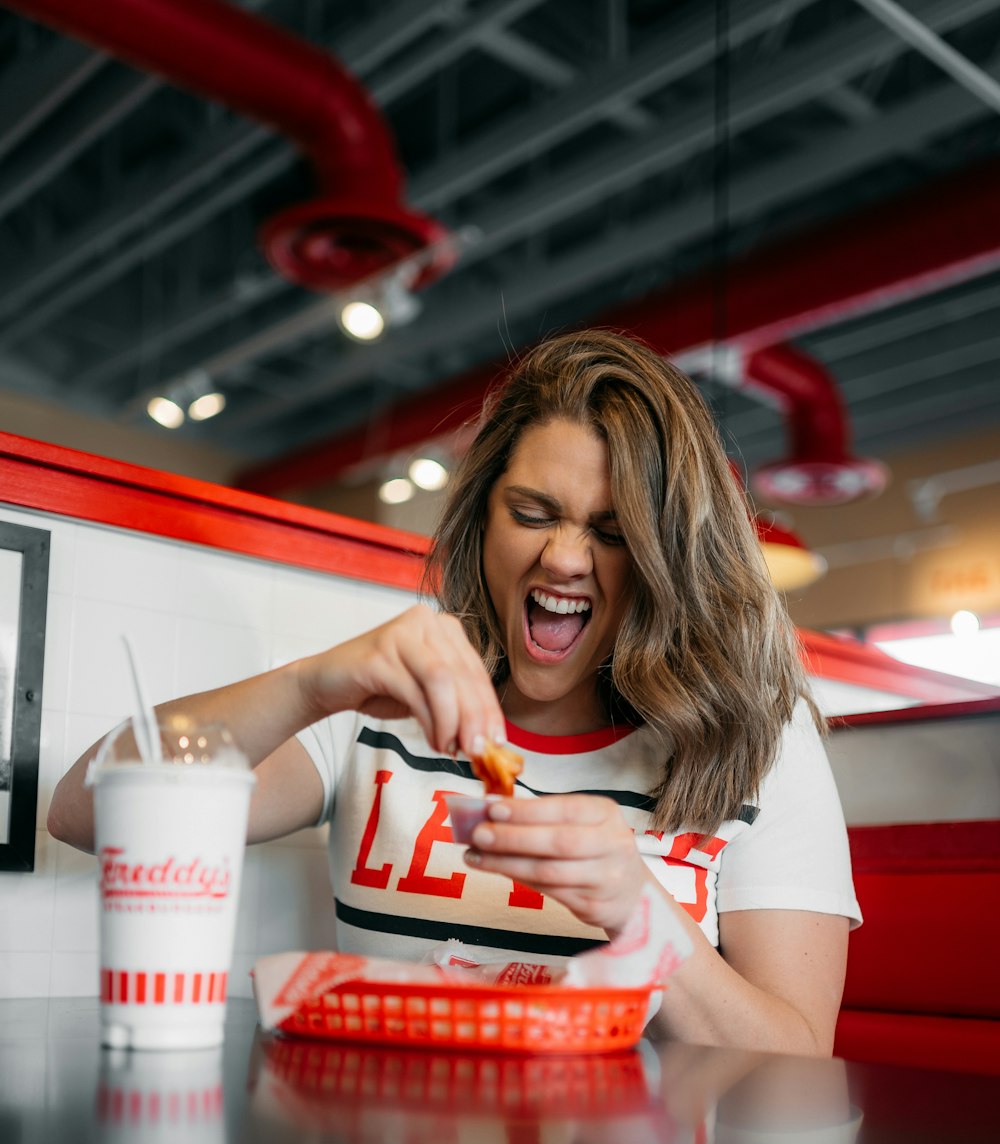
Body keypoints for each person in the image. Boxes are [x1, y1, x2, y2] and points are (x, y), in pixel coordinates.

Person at [48, 329, 860, 1056]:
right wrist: (309, 685)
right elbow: (86, 812)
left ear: (670, 557)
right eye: (533, 512)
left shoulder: (758, 737)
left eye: (613, 533)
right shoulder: (380, 710)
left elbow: (795, 1058)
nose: (566, 560)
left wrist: (637, 909)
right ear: (485, 518)